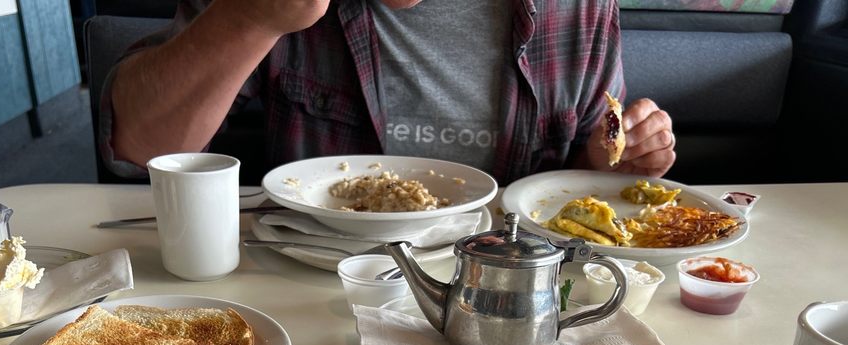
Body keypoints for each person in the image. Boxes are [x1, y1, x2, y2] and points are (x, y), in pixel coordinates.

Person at [102, 0, 676, 183]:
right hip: (312, 293)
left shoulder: (578, 9)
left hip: (508, 292)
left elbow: (578, 178)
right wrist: (248, 19)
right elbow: (136, 144)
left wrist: (604, 164)